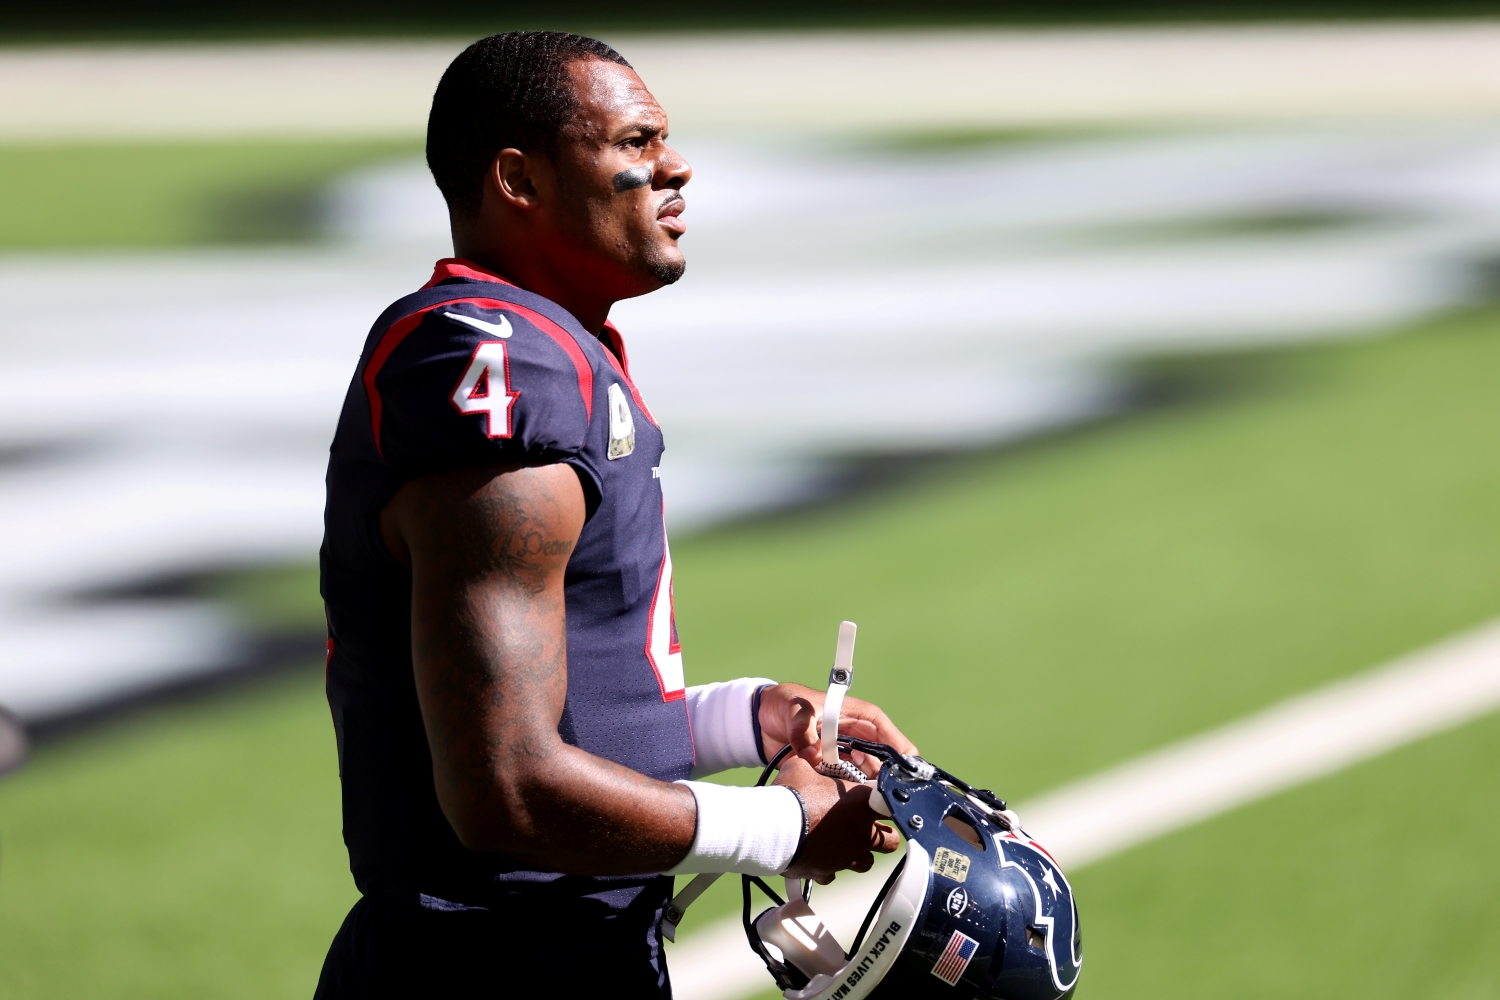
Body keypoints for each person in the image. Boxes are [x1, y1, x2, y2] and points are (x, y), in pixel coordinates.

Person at [316, 31, 916, 998]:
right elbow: (505, 784)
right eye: (634, 143)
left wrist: (750, 719)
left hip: (555, 950)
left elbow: (580, 705)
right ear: (520, 180)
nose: (673, 166)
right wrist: (782, 829)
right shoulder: (503, 371)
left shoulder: (563, 351)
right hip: (491, 963)